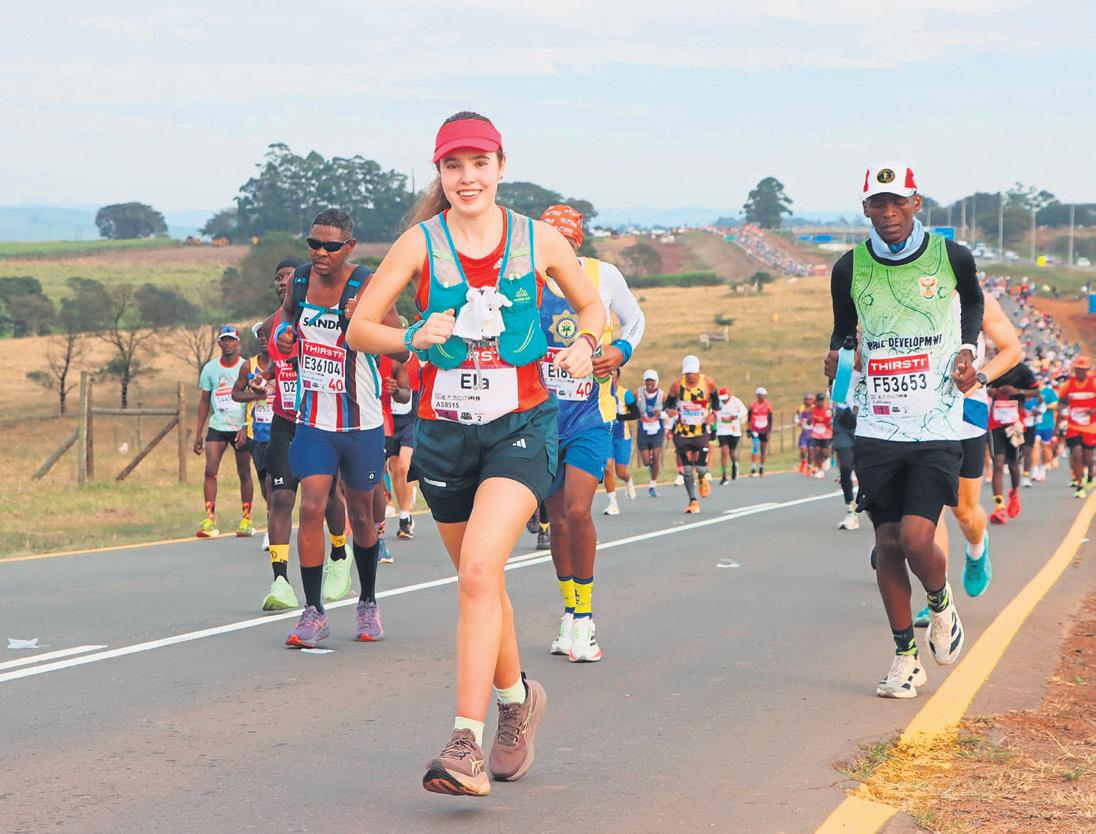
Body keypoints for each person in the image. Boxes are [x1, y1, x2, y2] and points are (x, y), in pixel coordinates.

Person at [346, 112, 606, 796]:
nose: (467, 178)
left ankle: (465, 741)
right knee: (478, 580)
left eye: (479, 164)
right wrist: (412, 338)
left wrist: (585, 344)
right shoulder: (419, 244)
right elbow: (359, 329)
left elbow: (592, 307)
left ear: (500, 166)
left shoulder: (538, 238)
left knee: (482, 568)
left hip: (521, 426)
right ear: (439, 171)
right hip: (444, 433)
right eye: (453, 166)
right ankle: (518, 700)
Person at [826, 162, 983, 699]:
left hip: (937, 421)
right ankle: (904, 658)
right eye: (878, 203)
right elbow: (844, 332)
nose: (889, 213)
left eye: (898, 202)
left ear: (916, 202)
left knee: (917, 537)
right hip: (878, 424)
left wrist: (968, 350)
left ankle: (940, 604)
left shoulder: (951, 256)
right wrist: (837, 358)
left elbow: (974, 302)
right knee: (888, 544)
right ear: (865, 208)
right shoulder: (849, 267)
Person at [270, 208, 407, 647]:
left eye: (330, 246)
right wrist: (286, 336)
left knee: (362, 516)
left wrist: (365, 321)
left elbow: (402, 344)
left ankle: (367, 601)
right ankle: (314, 612)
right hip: (313, 419)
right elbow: (284, 319)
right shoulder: (300, 281)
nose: (320, 253)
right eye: (313, 244)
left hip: (361, 421)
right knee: (310, 507)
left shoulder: (368, 284)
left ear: (349, 247)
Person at [538, 204, 645, 663]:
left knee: (579, 510)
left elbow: (635, 321)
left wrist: (620, 350)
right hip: (541, 420)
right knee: (557, 521)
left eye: (564, 241)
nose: (556, 248)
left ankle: (585, 618)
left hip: (590, 417)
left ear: (576, 243)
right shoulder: (526, 281)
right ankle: (569, 613)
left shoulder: (603, 276)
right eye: (549, 240)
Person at [911, 289, 1023, 626]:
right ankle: (939, 598)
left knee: (964, 510)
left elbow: (1012, 349)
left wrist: (981, 377)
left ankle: (977, 547)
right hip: (919, 411)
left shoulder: (978, 299)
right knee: (931, 507)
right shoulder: (906, 294)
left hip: (967, 411)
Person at [251, 257, 352, 612]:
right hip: (285, 421)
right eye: (278, 278)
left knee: (325, 498)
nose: (283, 282)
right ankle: (280, 582)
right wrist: (264, 380)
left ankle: (339, 553)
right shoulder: (269, 325)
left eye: (289, 277)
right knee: (280, 498)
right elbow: (272, 365)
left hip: (320, 420)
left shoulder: (321, 318)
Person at [194, 326, 253, 538]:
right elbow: (204, 401)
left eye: (231, 340)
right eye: (224, 340)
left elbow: (254, 398)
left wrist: (246, 426)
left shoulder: (246, 367)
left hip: (240, 427)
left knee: (244, 472)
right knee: (210, 470)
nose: (228, 344)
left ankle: (246, 519)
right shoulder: (210, 369)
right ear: (219, 343)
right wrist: (198, 432)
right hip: (218, 425)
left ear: (238, 343)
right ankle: (209, 519)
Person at [232, 321, 276, 550]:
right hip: (256, 433)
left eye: (266, 334)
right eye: (259, 335)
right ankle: (274, 517)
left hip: (280, 432)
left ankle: (273, 529)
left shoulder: (285, 363)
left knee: (273, 482)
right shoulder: (249, 366)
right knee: (264, 485)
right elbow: (235, 394)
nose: (263, 338)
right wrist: (256, 397)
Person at [986, 361, 1039, 524]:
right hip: (995, 424)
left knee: (1013, 463)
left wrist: (1017, 391)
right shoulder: (994, 365)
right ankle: (999, 507)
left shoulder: (1023, 370)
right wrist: (991, 391)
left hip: (1015, 424)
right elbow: (982, 386)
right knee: (998, 463)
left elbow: (1037, 391)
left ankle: (1014, 493)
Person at [665, 355, 718, 513]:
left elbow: (717, 403)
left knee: (700, 468)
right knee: (687, 469)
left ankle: (702, 478)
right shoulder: (677, 385)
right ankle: (693, 501)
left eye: (693, 374)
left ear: (698, 372)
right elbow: (668, 405)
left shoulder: (708, 383)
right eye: (687, 374)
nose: (690, 378)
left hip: (701, 432)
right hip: (682, 432)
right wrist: (670, 411)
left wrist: (712, 415)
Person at [1057, 355, 1096, 498]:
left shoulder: (1093, 383)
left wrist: (1093, 410)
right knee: (1077, 455)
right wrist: (1062, 409)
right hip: (1073, 426)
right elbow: (1062, 401)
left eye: (1083, 369)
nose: (1080, 372)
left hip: (1090, 426)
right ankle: (1079, 485)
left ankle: (1091, 473)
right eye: (1078, 369)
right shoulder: (1068, 385)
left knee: (1088, 458)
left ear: (1088, 370)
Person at [603, 368, 640, 515]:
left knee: (621, 472)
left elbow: (636, 413)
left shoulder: (625, 394)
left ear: (618, 378)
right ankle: (613, 503)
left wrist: (619, 417)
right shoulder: (601, 392)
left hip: (622, 437)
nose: (611, 379)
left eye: (614, 377)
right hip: (607, 436)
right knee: (607, 468)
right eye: (609, 376)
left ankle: (628, 480)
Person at [636, 369, 666, 496]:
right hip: (643, 430)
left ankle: (652, 485)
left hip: (657, 430)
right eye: (647, 381)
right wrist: (637, 415)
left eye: (652, 381)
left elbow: (671, 411)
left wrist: (661, 414)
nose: (649, 384)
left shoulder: (662, 395)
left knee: (657, 457)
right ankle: (650, 466)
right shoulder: (638, 393)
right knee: (646, 461)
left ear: (656, 381)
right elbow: (631, 407)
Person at [714, 386, 746, 484]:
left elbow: (744, 411)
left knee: (732, 452)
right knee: (724, 451)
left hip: (734, 430)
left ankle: (734, 464)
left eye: (725, 398)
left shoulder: (736, 401)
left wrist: (735, 416)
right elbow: (713, 412)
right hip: (722, 430)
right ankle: (724, 475)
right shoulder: (717, 402)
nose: (723, 401)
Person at [747, 387, 773, 477]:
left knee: (763, 449)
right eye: (761, 395)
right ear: (757, 395)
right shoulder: (752, 405)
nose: (763, 397)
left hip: (764, 430)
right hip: (755, 430)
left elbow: (770, 419)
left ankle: (761, 467)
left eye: (764, 395)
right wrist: (749, 430)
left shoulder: (768, 406)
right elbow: (749, 418)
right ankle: (753, 467)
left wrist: (769, 431)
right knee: (755, 447)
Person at [810, 391, 835, 479]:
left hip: (826, 434)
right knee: (816, 451)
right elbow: (809, 422)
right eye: (818, 400)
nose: (820, 402)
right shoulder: (813, 409)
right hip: (816, 434)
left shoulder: (827, 410)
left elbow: (831, 420)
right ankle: (820, 470)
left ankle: (827, 459)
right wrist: (810, 418)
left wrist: (828, 422)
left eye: (821, 400)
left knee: (824, 452)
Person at [796, 393, 815, 474]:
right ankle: (803, 461)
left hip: (813, 434)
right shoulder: (801, 408)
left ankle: (809, 467)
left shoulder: (815, 408)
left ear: (812, 400)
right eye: (806, 399)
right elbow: (796, 417)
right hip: (804, 433)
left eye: (809, 399)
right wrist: (798, 422)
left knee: (811, 451)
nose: (807, 401)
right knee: (803, 450)